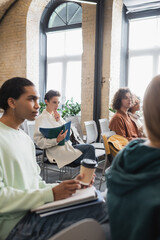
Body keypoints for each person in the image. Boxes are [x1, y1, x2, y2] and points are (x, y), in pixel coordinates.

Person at [0, 77, 108, 240]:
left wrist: (68, 187)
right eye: (31, 99)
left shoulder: (24, 139)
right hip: (15, 225)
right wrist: (50, 194)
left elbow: (36, 184)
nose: (37, 105)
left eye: (37, 99)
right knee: (102, 211)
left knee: (100, 201)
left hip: (36, 210)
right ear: (12, 102)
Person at [106, 75, 160, 240]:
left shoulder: (129, 117)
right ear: (119, 100)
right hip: (121, 149)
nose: (130, 101)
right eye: (126, 98)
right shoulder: (117, 118)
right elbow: (121, 141)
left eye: (131, 98)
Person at [34, 90, 96, 169]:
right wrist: (56, 140)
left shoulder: (57, 116)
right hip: (57, 153)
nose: (57, 105)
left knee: (91, 156)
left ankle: (84, 179)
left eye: (58, 103)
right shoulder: (41, 119)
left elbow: (69, 132)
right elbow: (39, 142)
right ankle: (85, 179)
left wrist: (59, 120)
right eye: (54, 102)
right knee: (90, 152)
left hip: (68, 147)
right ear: (46, 101)